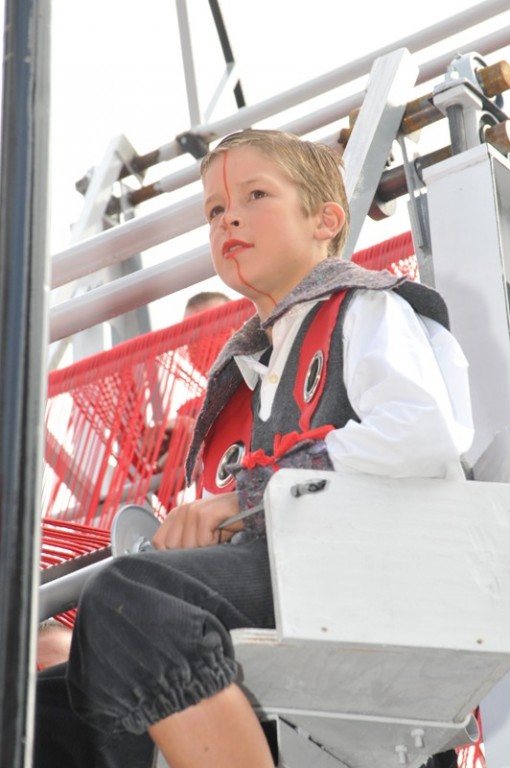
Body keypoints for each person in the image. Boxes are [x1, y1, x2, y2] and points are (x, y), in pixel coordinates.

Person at [34, 128, 474, 768]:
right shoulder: (250, 380)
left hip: (368, 591)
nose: (228, 218)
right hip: (294, 602)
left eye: (255, 196)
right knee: (41, 707)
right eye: (214, 210)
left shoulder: (365, 310)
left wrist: (242, 499)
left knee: (136, 599)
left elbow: (423, 431)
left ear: (326, 221)